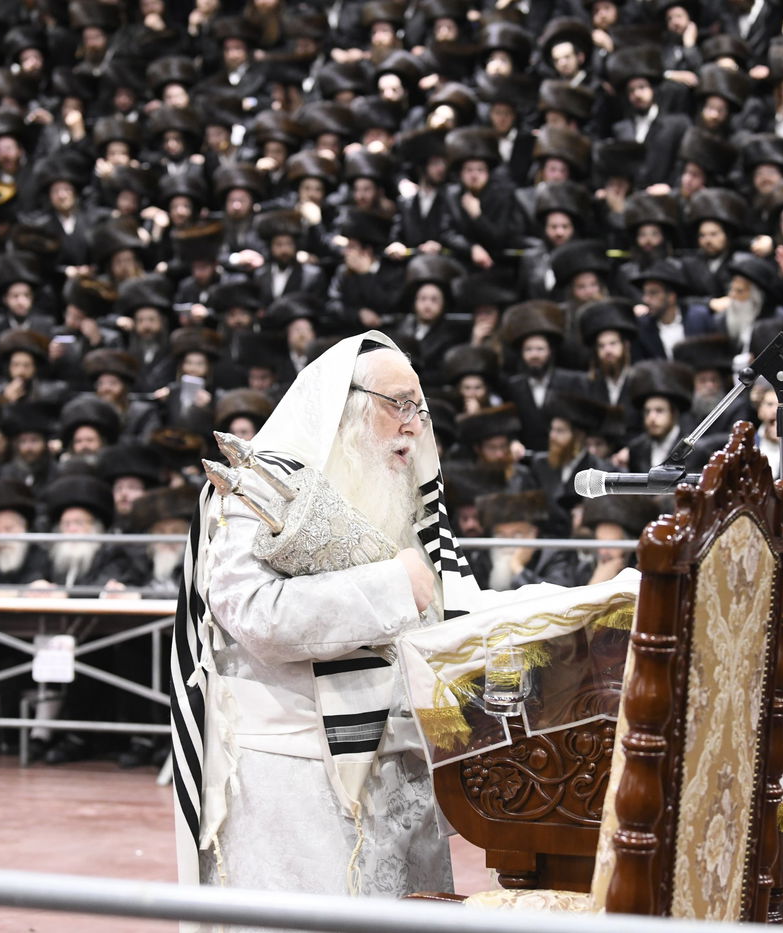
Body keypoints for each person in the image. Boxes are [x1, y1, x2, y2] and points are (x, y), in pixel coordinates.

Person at [169, 332, 542, 896]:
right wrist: (391, 586)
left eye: (421, 408)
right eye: (400, 405)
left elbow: (446, 619)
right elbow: (254, 616)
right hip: (296, 783)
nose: (415, 426)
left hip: (403, 772)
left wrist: (558, 606)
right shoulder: (262, 492)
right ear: (344, 406)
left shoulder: (399, 501)